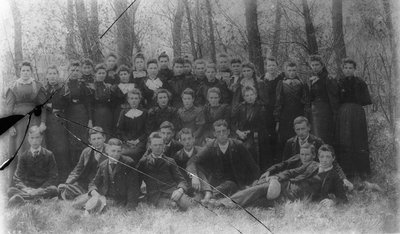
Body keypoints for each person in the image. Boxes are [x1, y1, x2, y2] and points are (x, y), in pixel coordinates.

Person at [216, 144, 347, 208]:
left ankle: (231, 204)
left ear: (333, 158)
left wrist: (333, 201)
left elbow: (343, 199)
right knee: (258, 190)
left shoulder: (334, 176)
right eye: (322, 156)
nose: (324, 160)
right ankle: (223, 204)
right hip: (286, 185)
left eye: (328, 157)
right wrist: (277, 178)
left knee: (258, 203)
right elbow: (292, 172)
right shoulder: (312, 164)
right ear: (318, 157)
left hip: (294, 198)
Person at [187, 120, 260, 205]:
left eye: (224, 131)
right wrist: (194, 176)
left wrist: (255, 180)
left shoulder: (238, 145)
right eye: (218, 132)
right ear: (214, 134)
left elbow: (252, 165)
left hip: (235, 182)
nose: (221, 134)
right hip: (216, 182)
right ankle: (208, 196)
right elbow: (192, 161)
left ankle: (208, 197)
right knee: (197, 167)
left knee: (229, 185)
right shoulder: (211, 146)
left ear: (228, 132)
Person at [6, 61, 47, 185]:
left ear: (31, 72)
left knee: (33, 147)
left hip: (34, 120)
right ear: (20, 71)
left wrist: (43, 122)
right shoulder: (13, 87)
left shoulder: (37, 86)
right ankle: (18, 183)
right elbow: (9, 108)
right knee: (20, 149)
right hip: (18, 123)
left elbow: (43, 106)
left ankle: (37, 182)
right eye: (23, 70)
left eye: (28, 70)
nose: (25, 73)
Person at [78, 138, 140, 213]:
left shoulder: (128, 163)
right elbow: (93, 183)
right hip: (106, 198)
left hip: (122, 200)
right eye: (113, 151)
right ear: (107, 150)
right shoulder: (103, 165)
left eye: (118, 151)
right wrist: (95, 193)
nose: (116, 154)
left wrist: (130, 208)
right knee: (79, 203)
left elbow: (133, 187)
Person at [137, 132, 195, 210]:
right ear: (150, 146)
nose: (158, 147)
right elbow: (137, 181)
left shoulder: (170, 161)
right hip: (156, 196)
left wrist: (180, 190)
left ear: (164, 145)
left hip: (173, 192)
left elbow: (181, 180)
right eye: (155, 145)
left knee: (190, 207)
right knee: (173, 206)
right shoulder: (144, 162)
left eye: (160, 145)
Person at [336, 58, 372, 179]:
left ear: (354, 69)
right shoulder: (338, 82)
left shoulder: (360, 83)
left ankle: (363, 172)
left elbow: (366, 100)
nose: (348, 70)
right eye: (345, 68)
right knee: (345, 140)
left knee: (359, 140)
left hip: (357, 113)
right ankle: (347, 173)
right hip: (343, 113)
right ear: (342, 69)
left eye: (350, 68)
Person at [7, 126, 58, 207]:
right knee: (10, 191)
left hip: (42, 189)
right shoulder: (23, 156)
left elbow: (53, 176)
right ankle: (39, 200)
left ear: (41, 138)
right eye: (32, 138)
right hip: (28, 189)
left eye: (37, 138)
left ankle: (27, 201)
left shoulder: (49, 154)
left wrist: (40, 189)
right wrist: (27, 190)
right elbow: (17, 178)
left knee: (54, 189)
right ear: (28, 139)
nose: (35, 141)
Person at [58, 127, 107, 200]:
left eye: (99, 138)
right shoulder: (86, 151)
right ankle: (81, 194)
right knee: (64, 187)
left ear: (104, 138)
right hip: (85, 182)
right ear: (90, 141)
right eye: (94, 139)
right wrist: (68, 182)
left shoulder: (110, 151)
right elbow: (77, 169)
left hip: (99, 184)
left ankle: (86, 195)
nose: (97, 141)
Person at [274, 61, 309, 154]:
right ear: (285, 71)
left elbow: (306, 101)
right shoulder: (281, 83)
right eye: (289, 70)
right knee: (285, 139)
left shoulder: (301, 83)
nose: (292, 73)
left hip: (298, 114)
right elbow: (278, 102)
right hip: (285, 116)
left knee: (299, 137)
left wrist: (305, 116)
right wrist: (277, 119)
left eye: (294, 70)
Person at [231, 86, 269, 170]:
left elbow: (262, 125)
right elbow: (232, 123)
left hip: (256, 134)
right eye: (247, 95)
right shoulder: (240, 107)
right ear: (244, 97)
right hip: (241, 134)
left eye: (252, 94)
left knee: (249, 148)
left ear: (256, 95)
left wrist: (249, 132)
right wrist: (238, 132)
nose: (250, 97)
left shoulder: (261, 107)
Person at [44, 65, 71, 183]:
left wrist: (53, 106)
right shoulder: (43, 89)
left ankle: (64, 178)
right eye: (49, 73)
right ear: (46, 76)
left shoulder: (63, 88)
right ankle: (52, 178)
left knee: (62, 149)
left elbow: (66, 103)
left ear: (58, 75)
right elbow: (41, 104)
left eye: (54, 73)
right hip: (48, 121)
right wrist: (51, 107)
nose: (52, 76)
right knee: (51, 148)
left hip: (60, 120)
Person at [64, 60, 93, 166]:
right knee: (72, 141)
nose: (74, 72)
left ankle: (85, 167)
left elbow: (88, 103)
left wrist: (90, 120)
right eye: (72, 70)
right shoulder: (64, 85)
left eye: (77, 70)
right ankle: (74, 168)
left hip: (81, 114)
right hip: (69, 115)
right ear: (68, 71)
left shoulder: (83, 85)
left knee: (83, 141)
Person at [308, 55, 339, 145]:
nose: (315, 67)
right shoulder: (311, 79)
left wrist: (335, 113)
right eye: (312, 65)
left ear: (322, 65)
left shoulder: (328, 78)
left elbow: (334, 97)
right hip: (314, 112)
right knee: (315, 136)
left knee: (324, 136)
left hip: (325, 111)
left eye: (317, 65)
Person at [258, 57, 285, 162]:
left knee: (279, 134)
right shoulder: (262, 79)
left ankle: (279, 159)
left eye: (273, 65)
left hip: (279, 109)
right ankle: (269, 160)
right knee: (268, 135)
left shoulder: (281, 78)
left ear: (277, 66)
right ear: (266, 67)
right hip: (266, 111)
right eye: (269, 65)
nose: (271, 67)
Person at [172, 128, 210, 198]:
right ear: (180, 141)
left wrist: (194, 175)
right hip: (187, 183)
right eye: (184, 139)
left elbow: (207, 169)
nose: (187, 142)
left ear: (193, 139)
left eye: (189, 138)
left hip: (202, 181)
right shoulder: (177, 156)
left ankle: (206, 194)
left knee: (198, 168)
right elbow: (178, 174)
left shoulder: (201, 151)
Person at [116, 89, 147, 162]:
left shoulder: (145, 112)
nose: (134, 101)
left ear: (139, 100)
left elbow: (147, 131)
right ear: (128, 100)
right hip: (126, 142)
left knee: (134, 153)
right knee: (121, 153)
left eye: (136, 98)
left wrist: (137, 141)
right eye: (131, 98)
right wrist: (127, 140)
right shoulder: (123, 112)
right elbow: (119, 130)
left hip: (140, 142)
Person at [91, 63, 117, 134]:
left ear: (106, 74)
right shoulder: (91, 87)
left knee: (107, 133)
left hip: (108, 114)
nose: (101, 75)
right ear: (95, 74)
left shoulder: (109, 86)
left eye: (103, 73)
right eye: (99, 73)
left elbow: (112, 102)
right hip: (96, 114)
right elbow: (89, 104)